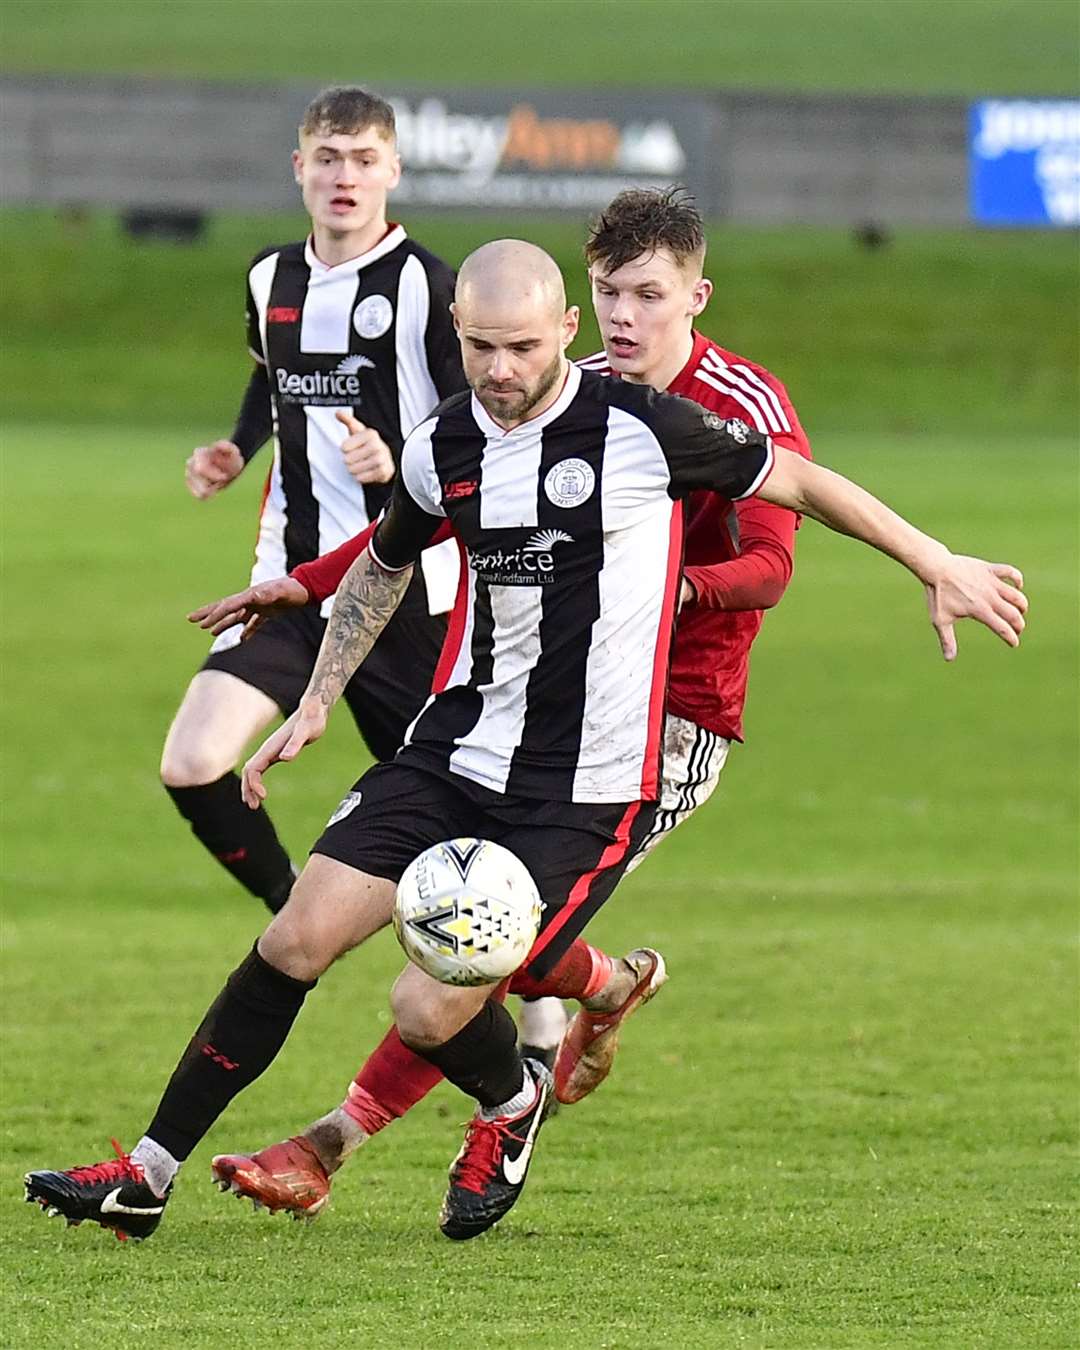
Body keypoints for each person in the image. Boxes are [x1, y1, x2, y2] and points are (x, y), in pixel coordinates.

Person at [25, 240, 1026, 1247]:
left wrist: (934, 560)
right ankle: (146, 1178)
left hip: (586, 785)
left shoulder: (646, 429)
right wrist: (320, 695)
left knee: (428, 1007)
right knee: (294, 937)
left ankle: (510, 1103)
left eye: (520, 347)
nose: (500, 370)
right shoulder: (443, 443)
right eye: (480, 347)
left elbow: (803, 488)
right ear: (456, 333)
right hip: (455, 747)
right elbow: (384, 566)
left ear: (564, 334)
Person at [195, 187, 822, 1222]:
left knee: (474, 942)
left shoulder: (734, 406)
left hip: (667, 718)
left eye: (647, 297)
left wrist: (679, 590)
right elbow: (435, 510)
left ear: (695, 297)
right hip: (524, 710)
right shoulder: (557, 389)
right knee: (464, 926)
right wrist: (311, 580)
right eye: (608, 292)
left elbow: (771, 562)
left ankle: (334, 1139)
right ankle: (601, 987)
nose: (623, 317)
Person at [159, 84, 464, 915]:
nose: (345, 176)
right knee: (191, 760)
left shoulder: (426, 287)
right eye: (328, 158)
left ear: (393, 170)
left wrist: (396, 460)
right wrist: (235, 446)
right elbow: (273, 378)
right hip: (290, 586)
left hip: (403, 592)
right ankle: (296, 910)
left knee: (461, 826)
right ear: (299, 168)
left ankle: (540, 1016)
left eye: (364, 159)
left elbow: (473, 429)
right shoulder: (270, 276)